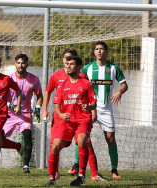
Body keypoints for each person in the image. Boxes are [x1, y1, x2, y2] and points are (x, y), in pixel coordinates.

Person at [0, 54, 43, 174]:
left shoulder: (34, 79)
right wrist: (11, 106)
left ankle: (26, 166)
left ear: (27, 64)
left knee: (27, 136)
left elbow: (39, 96)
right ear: (15, 64)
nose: (20, 65)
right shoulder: (8, 79)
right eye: (18, 63)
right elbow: (1, 97)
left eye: (23, 63)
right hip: (9, 115)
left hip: (26, 114)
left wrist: (37, 108)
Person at [44, 56, 97, 186]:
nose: (68, 66)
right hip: (67, 122)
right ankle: (52, 178)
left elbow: (94, 102)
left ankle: (81, 175)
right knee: (55, 146)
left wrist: (90, 107)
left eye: (72, 64)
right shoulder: (62, 85)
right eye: (67, 64)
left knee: (81, 141)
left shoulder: (86, 83)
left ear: (79, 67)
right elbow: (56, 105)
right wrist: (61, 115)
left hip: (83, 119)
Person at [80, 41, 128, 179]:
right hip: (90, 108)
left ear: (106, 51)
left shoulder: (113, 68)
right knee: (82, 136)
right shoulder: (88, 68)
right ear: (94, 52)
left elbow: (124, 85)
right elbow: (80, 83)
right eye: (96, 49)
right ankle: (77, 166)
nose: (99, 51)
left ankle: (114, 169)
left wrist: (119, 92)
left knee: (110, 139)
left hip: (106, 109)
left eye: (101, 49)